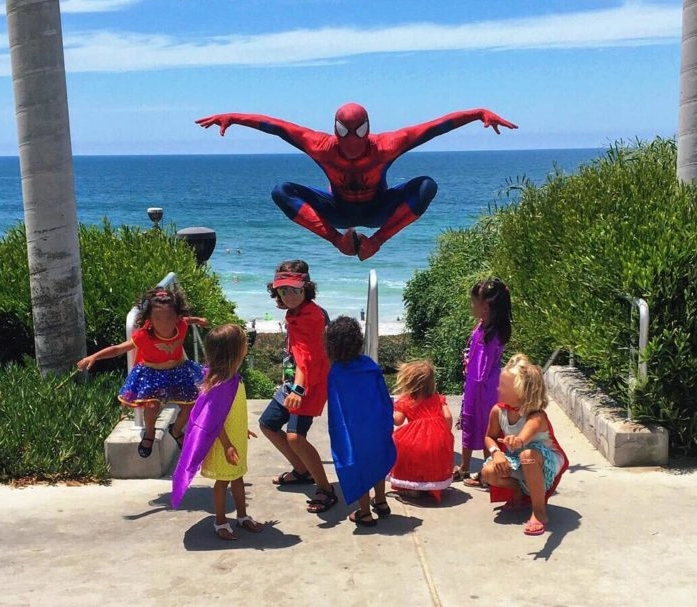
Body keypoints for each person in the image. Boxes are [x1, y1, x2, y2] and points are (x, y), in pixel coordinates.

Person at [197, 104, 517, 260]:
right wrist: (234, 118)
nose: (352, 139)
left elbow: (436, 127)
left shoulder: (387, 146)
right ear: (335, 129)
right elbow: (276, 126)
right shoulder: (320, 146)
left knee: (426, 186)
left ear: (368, 128)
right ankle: (338, 240)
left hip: (379, 210)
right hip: (337, 211)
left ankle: (375, 241)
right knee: (281, 191)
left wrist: (478, 113)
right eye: (345, 132)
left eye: (359, 132)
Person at [77, 287, 206, 458]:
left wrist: (198, 320)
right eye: (158, 319)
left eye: (169, 318)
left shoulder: (181, 325)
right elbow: (118, 349)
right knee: (151, 406)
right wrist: (94, 356)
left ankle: (175, 430)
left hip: (178, 371)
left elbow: (187, 320)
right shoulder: (144, 336)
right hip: (152, 374)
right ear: (149, 320)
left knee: (190, 405)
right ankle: (149, 433)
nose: (164, 323)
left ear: (177, 318)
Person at [171, 324, 264, 540]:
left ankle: (242, 516)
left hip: (235, 437)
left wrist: (242, 428)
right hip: (224, 442)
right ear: (234, 350)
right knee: (222, 482)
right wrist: (227, 444)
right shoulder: (220, 383)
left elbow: (229, 410)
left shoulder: (233, 378)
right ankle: (220, 522)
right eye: (244, 342)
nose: (247, 345)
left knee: (238, 476)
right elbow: (213, 419)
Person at [259, 260, 337, 514]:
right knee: (268, 424)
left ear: (306, 288)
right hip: (294, 381)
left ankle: (325, 489)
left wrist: (298, 390)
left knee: (296, 437)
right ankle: (302, 471)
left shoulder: (311, 317)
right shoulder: (296, 312)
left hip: (309, 385)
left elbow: (308, 359)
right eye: (283, 290)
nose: (289, 295)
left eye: (294, 289)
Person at [480, 354, 569, 536]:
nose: (498, 388)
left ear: (521, 391)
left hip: (545, 462)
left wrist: (517, 440)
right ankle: (518, 491)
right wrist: (496, 452)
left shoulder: (536, 416)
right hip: (519, 458)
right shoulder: (498, 411)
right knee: (488, 472)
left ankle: (539, 512)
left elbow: (524, 436)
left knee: (527, 455)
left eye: (504, 386)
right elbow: (490, 437)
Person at [325, 316, 396, 527]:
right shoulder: (370, 365)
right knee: (377, 459)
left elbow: (337, 407)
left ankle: (364, 513)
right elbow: (384, 396)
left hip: (353, 430)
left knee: (358, 466)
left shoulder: (336, 372)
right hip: (376, 424)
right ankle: (381, 501)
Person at [455, 278, 512, 487]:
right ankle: (465, 467)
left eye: (474, 302)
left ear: (485, 307)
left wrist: (475, 390)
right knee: (470, 424)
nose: (472, 306)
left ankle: (487, 473)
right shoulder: (484, 327)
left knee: (488, 428)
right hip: (476, 384)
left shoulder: (491, 335)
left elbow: (483, 369)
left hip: (483, 387)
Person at [389, 360, 454, 503]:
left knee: (404, 449)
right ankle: (433, 484)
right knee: (432, 459)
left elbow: (398, 421)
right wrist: (445, 433)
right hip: (438, 436)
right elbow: (448, 417)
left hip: (415, 438)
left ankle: (414, 487)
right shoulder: (438, 398)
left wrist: (388, 410)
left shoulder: (405, 401)